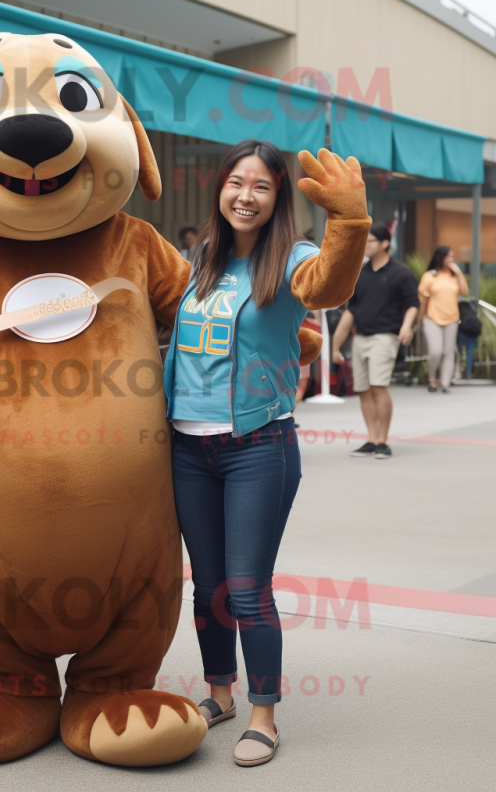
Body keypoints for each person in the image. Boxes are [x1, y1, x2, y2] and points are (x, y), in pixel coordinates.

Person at [164, 141, 370, 766]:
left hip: (259, 446)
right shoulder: (199, 260)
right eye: (235, 182)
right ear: (220, 190)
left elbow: (328, 287)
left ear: (279, 198)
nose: (245, 195)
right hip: (186, 447)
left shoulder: (294, 258)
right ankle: (219, 694)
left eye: (261, 186)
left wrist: (350, 224)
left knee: (248, 589)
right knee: (208, 587)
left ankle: (264, 714)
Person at [331, 223, 419, 459]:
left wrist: (406, 326)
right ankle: (371, 439)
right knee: (363, 390)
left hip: (385, 337)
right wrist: (335, 345)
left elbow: (413, 304)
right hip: (361, 337)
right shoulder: (360, 274)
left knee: (378, 387)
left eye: (370, 241)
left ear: (385, 243)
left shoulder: (401, 273)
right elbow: (351, 311)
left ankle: (383, 441)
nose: (366, 246)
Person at [419, 247, 469, 392]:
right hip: (432, 318)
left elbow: (465, 291)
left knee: (449, 352)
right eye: (449, 257)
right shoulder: (429, 276)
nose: (452, 260)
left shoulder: (454, 276)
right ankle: (432, 377)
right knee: (436, 351)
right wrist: (421, 317)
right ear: (441, 258)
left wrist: (459, 272)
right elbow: (423, 299)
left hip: (452, 318)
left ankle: (445, 383)